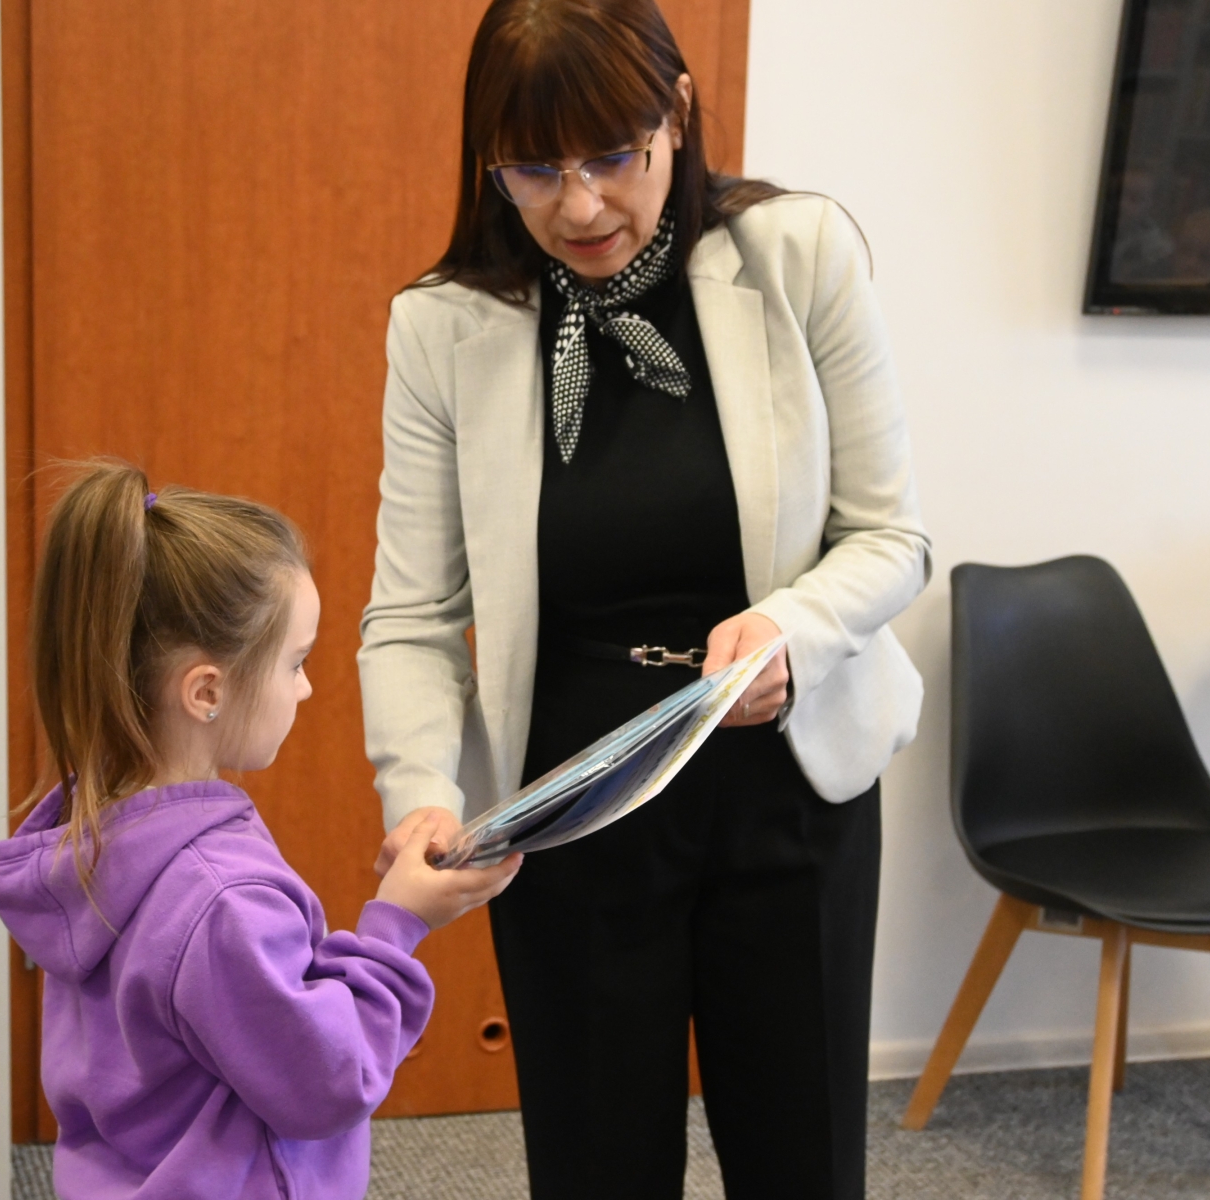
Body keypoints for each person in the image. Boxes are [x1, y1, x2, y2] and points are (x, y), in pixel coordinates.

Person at [357, 1, 930, 1197]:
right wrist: (420, 794)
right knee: (597, 1163)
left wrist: (791, 629)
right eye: (533, 168)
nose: (578, 207)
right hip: (577, 805)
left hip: (789, 783)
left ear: (676, 112)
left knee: (803, 1159)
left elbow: (890, 537)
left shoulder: (799, 255)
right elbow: (412, 613)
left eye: (612, 155)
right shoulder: (444, 325)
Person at [0, 462, 521, 1200]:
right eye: (295, 662)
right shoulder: (221, 898)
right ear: (207, 691)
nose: (307, 686)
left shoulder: (97, 833)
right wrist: (396, 926)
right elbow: (326, 1082)